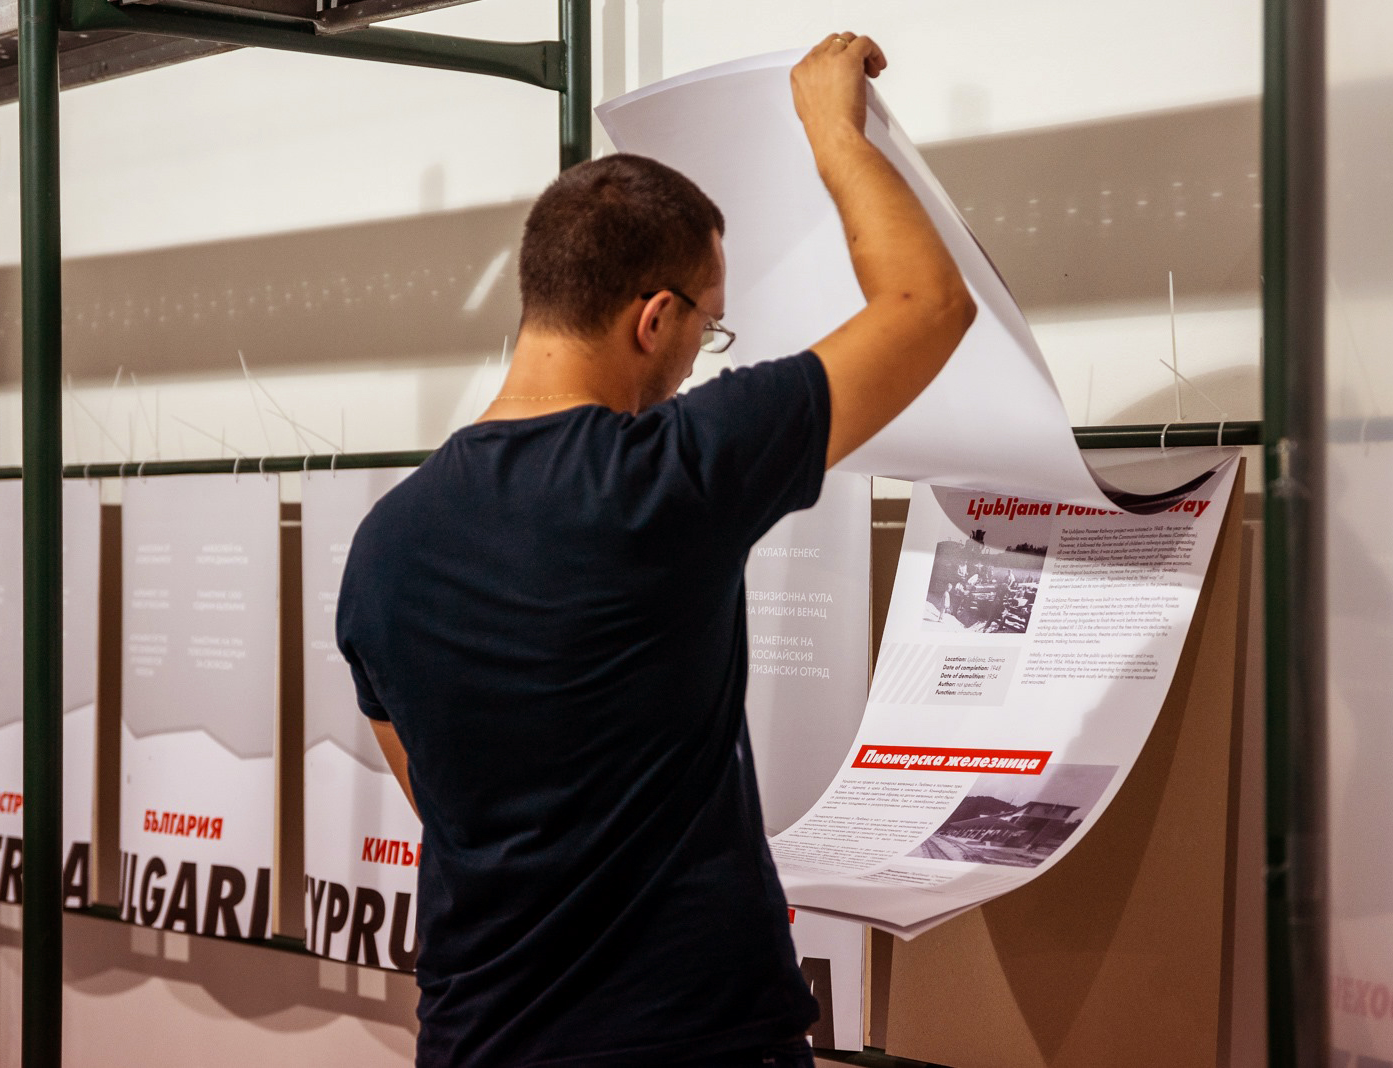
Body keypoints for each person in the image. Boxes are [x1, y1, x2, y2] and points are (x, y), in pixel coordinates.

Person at [336, 32, 975, 1068]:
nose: (697, 360)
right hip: (689, 1041)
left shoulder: (385, 542)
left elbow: (440, 800)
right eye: (708, 328)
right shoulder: (665, 478)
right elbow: (927, 306)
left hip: (479, 1042)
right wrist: (831, 126)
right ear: (654, 317)